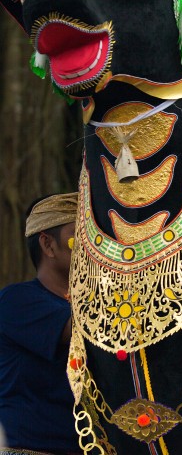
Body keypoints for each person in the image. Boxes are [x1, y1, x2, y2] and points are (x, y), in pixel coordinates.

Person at [0, 193, 80, 455]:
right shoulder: (16, 300)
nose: (93, 248)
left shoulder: (81, 308)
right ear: (48, 245)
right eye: (79, 235)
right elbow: (89, 331)